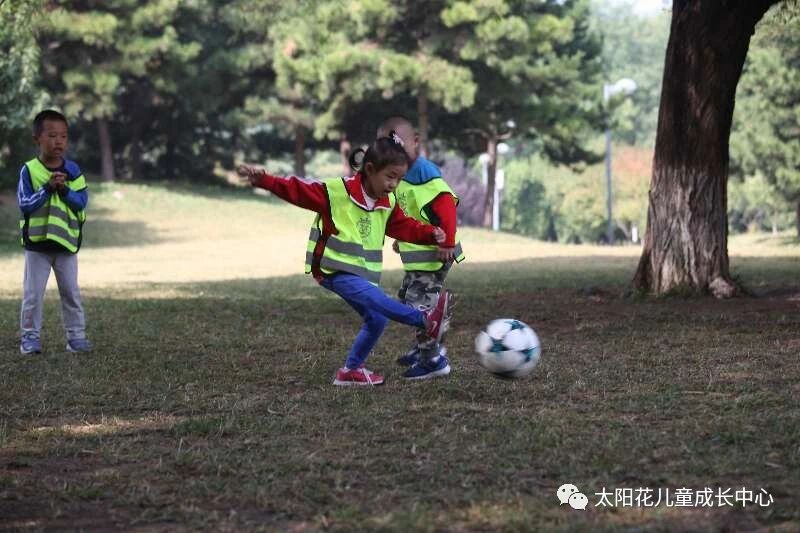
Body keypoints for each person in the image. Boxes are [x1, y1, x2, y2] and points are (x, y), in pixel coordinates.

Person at [237, 134, 451, 386]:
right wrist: (264, 180)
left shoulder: (388, 202)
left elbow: (404, 227)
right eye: (390, 176)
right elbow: (297, 190)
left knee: (377, 317)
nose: (394, 184)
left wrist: (430, 233)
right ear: (370, 169)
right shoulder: (336, 192)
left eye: (399, 179)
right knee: (377, 299)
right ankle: (425, 321)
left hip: (360, 273)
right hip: (332, 269)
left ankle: (350, 370)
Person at [376, 116, 464, 380]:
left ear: (415, 142)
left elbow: (446, 206)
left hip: (434, 254)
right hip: (420, 255)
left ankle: (432, 360)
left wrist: (447, 242)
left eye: (398, 144)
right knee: (408, 297)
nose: (392, 151)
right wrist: (401, 238)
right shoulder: (401, 174)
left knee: (418, 306)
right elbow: (412, 212)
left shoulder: (424, 173)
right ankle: (428, 340)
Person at [17, 109, 91, 354]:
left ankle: (76, 337)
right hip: (37, 246)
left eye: (63, 136)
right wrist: (47, 189)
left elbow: (81, 203)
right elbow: (25, 204)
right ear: (37, 138)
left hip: (66, 244)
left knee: (71, 293)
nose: (58, 141)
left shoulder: (73, 170)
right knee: (33, 295)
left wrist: (64, 190)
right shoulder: (29, 170)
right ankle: (30, 338)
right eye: (51, 135)